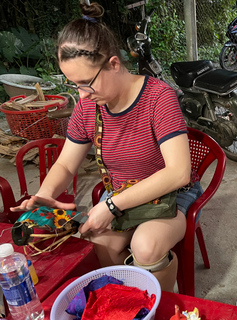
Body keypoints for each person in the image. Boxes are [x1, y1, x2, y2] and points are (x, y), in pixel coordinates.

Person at [11, 2, 197, 293]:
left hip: (168, 194)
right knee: (98, 240)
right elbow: (65, 164)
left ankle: (161, 305)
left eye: (86, 83)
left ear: (113, 64)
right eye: (74, 85)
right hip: (121, 193)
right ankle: (133, 296)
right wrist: (44, 195)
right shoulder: (87, 107)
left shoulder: (159, 98)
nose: (82, 94)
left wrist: (110, 206)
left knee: (145, 246)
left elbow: (178, 173)